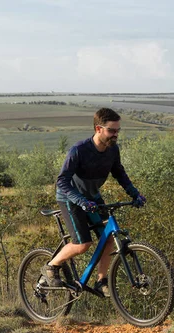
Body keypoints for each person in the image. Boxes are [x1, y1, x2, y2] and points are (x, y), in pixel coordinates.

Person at [42, 108, 146, 295]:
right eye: (112, 131)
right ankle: (51, 266)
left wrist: (135, 194)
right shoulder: (79, 150)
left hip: (92, 197)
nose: (116, 135)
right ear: (98, 129)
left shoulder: (113, 150)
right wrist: (80, 200)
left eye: (118, 131)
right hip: (70, 198)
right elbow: (62, 181)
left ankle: (101, 280)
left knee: (108, 239)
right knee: (83, 244)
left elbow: (119, 173)